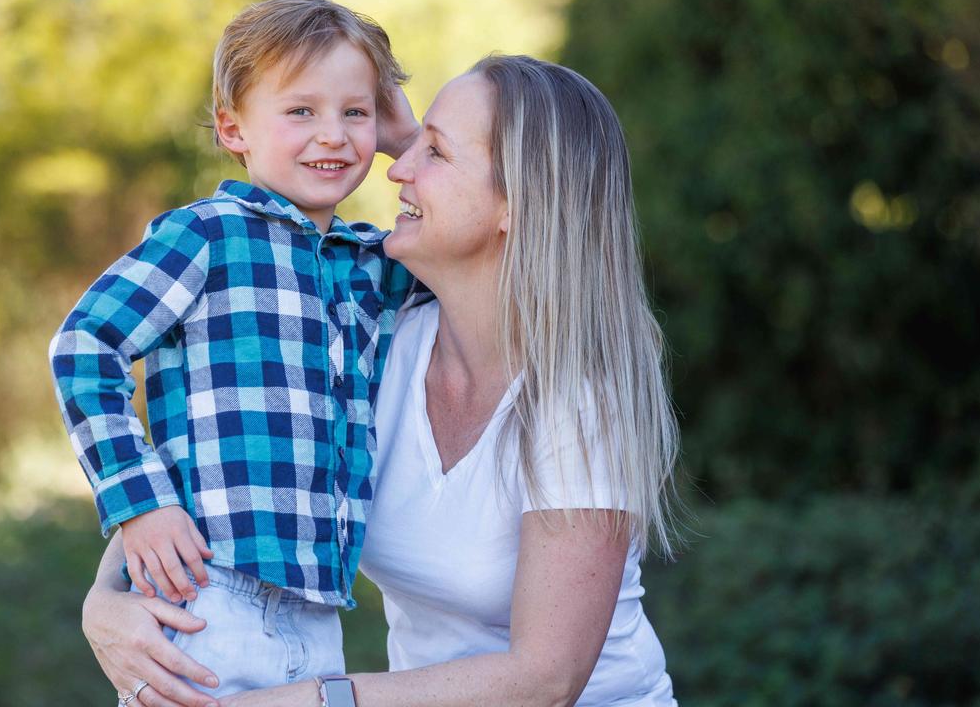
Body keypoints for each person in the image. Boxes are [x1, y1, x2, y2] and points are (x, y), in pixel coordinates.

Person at [82, 54, 680, 707]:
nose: (397, 167)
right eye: (406, 142)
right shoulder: (374, 337)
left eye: (433, 152)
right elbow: (227, 472)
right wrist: (107, 598)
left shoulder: (580, 397)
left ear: (517, 204)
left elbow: (545, 680)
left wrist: (310, 700)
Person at [49, 0, 423, 705]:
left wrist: (411, 142)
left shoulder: (377, 262)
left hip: (317, 615)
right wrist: (140, 502)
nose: (333, 135)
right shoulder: (208, 235)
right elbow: (84, 344)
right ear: (232, 128)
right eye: (301, 111)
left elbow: (505, 235)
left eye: (355, 112)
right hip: (204, 596)